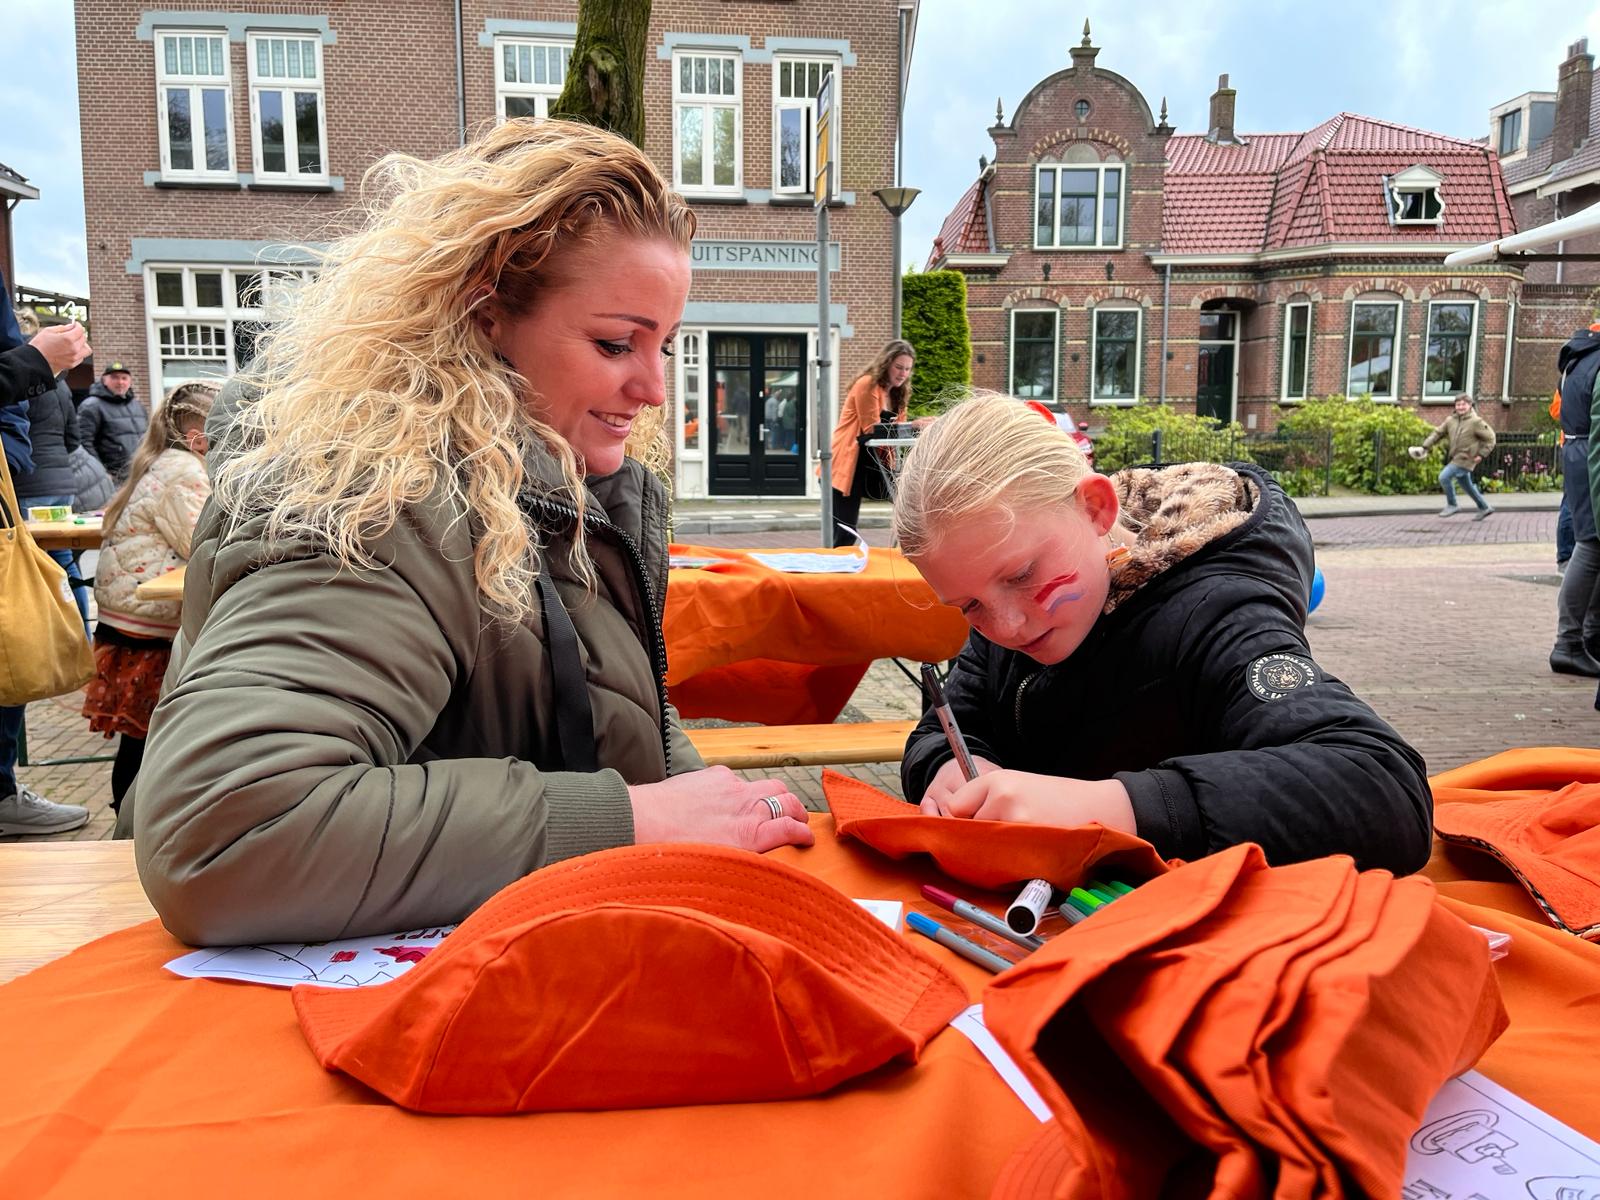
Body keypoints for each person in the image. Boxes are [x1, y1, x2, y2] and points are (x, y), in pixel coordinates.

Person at [127, 120, 813, 947]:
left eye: (664, 345)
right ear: (486, 312)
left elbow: (613, 705)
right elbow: (220, 829)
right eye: (615, 343)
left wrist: (713, 813)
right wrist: (626, 819)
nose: (654, 388)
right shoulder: (377, 494)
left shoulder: (556, 482)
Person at [895, 393, 1432, 875]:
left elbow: (1385, 789)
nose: (1007, 625)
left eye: (1021, 576)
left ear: (1095, 508)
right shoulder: (1009, 610)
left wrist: (1119, 809)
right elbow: (947, 726)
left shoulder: (1218, 612)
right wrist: (948, 767)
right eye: (968, 606)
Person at [82, 383, 217, 812]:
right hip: (150, 622)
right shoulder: (186, 472)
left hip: (127, 618)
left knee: (139, 737)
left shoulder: (162, 462)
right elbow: (205, 542)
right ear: (200, 434)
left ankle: (130, 815)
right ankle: (134, 820)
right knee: (150, 736)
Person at [0, 314, 94, 837]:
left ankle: (2, 789)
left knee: (31, 601)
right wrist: (34, 361)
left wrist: (14, 450)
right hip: (31, 486)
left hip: (29, 485)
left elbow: (59, 427)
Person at [12, 310, 91, 631]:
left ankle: (48, 647)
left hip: (28, 485)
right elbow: (73, 438)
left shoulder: (16, 377)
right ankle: (83, 637)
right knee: (64, 563)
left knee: (29, 568)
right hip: (62, 484)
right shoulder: (58, 384)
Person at [827, 339, 914, 547]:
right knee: (845, 530)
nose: (903, 373)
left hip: (877, 461)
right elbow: (871, 430)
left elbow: (896, 434)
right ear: (886, 364)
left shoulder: (898, 393)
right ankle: (838, 574)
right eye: (899, 367)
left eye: (908, 369)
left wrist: (918, 428)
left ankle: (902, 557)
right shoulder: (867, 384)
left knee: (910, 505)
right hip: (850, 462)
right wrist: (913, 426)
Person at [1552, 322, 1600, 678]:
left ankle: (1583, 636)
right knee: (1592, 544)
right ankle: (1570, 642)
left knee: (1593, 544)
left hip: (1576, 449)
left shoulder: (1577, 356)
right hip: (1590, 455)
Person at [1406, 394, 1496, 521]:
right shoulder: (1450, 420)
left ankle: (1452, 504)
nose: (1460, 407)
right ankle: (1484, 507)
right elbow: (1438, 433)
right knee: (1467, 485)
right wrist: (1424, 447)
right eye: (1458, 404)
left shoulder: (1476, 422)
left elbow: (1491, 438)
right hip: (1456, 457)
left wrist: (1481, 454)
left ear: (1470, 405)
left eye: (1463, 404)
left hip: (1466, 457)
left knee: (1444, 477)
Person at [78, 359, 148, 482]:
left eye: (124, 378)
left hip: (140, 475)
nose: (120, 382)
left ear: (130, 381)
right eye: (114, 377)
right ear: (104, 380)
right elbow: (84, 442)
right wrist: (101, 472)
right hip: (112, 479)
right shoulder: (91, 406)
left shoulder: (137, 406)